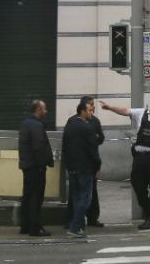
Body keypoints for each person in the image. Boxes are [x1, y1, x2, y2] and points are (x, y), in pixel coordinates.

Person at [100, 92, 150, 230]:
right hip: (139, 158)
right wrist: (110, 107)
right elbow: (124, 110)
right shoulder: (141, 113)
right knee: (137, 186)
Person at [62, 100, 101, 238]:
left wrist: (68, 165)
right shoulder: (88, 128)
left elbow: (64, 147)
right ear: (82, 111)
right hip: (85, 168)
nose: (92, 112)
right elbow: (93, 150)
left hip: (72, 168)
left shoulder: (69, 126)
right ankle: (74, 227)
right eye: (89, 110)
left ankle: (78, 227)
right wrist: (97, 166)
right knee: (85, 198)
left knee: (77, 197)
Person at [18, 99, 54, 237]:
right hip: (35, 167)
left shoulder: (26, 123)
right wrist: (42, 165)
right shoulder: (37, 126)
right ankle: (35, 227)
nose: (46, 111)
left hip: (27, 166)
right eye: (44, 109)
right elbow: (39, 147)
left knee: (27, 196)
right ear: (38, 110)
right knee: (35, 198)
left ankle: (25, 225)